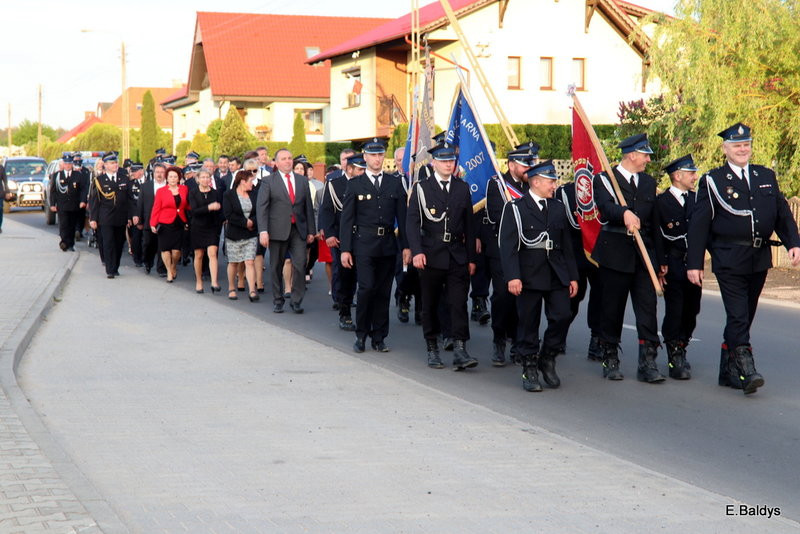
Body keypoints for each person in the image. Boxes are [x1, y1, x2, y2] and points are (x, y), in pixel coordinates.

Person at [687, 123, 800, 394]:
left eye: (746, 145)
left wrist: (793, 243)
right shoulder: (713, 180)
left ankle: (727, 370)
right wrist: (694, 263)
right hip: (728, 257)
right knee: (737, 315)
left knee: (745, 315)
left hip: (758, 257)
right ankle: (746, 370)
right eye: (737, 145)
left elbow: (782, 213)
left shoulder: (765, 175)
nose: (742, 149)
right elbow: (700, 224)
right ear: (725, 149)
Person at [592, 133, 666, 383]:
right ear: (632, 155)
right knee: (612, 309)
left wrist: (660, 260)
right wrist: (623, 212)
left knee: (648, 310)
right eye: (645, 155)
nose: (648, 160)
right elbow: (605, 207)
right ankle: (610, 357)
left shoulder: (648, 182)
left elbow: (654, 224)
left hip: (643, 255)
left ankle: (648, 362)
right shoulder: (605, 179)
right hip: (615, 253)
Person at [499, 161, 579, 391]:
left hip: (556, 272)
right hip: (528, 273)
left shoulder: (557, 207)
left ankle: (548, 356)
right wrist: (513, 276)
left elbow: (566, 245)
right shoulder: (516, 208)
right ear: (535, 182)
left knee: (563, 315)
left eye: (554, 181)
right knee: (528, 322)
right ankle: (529, 366)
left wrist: (572, 276)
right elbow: (508, 246)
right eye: (550, 181)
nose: (554, 186)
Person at [406, 140, 478, 370]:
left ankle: (460, 349)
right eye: (444, 160)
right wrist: (417, 251)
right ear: (434, 163)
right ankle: (432, 348)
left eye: (452, 160)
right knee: (430, 303)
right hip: (431, 253)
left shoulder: (462, 188)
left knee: (458, 302)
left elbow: (469, 226)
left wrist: (471, 259)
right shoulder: (422, 188)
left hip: (456, 254)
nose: (449, 164)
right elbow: (412, 223)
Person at [340, 138, 409, 353]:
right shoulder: (355, 184)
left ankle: (379, 337)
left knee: (383, 292)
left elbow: (403, 218)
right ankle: (361, 334)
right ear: (365, 157)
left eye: (380, 155)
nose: (377, 159)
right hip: (364, 244)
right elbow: (347, 220)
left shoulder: (394, 183)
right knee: (367, 288)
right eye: (373, 155)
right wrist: (345, 250)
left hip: (387, 244)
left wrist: (407, 247)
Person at [484, 144, 535, 366]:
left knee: (523, 299)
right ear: (511, 165)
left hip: (527, 251)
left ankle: (518, 341)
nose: (528, 169)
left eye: (529, 164)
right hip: (502, 250)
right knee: (503, 296)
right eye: (524, 165)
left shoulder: (532, 185)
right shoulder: (497, 184)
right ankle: (499, 338)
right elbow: (495, 216)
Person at [655, 154, 702, 380]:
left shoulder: (697, 200)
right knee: (675, 310)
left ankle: (682, 345)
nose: (695, 177)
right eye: (691, 173)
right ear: (677, 176)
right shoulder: (661, 202)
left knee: (692, 309)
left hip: (693, 263)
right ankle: (674, 353)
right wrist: (659, 265)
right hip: (672, 263)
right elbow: (656, 236)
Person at [256, 148, 316, 313]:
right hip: (277, 230)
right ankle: (278, 299)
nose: (288, 161)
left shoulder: (302, 180)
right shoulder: (268, 181)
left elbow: (308, 207)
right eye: (283, 159)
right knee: (276, 266)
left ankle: (296, 300)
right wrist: (263, 231)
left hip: (298, 230)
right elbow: (262, 208)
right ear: (276, 162)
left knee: (300, 264)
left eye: (290, 158)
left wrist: (311, 230)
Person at [556, 179, 604, 361]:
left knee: (600, 298)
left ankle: (596, 340)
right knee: (572, 298)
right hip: (575, 254)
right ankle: (559, 335)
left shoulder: (603, 187)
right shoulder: (565, 191)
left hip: (599, 253)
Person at [319, 152, 364, 330]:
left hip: (363, 236)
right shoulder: (334, 184)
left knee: (361, 275)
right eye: (359, 169)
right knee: (343, 272)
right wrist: (329, 234)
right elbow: (326, 210)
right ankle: (343, 307)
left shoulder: (366, 184)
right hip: (341, 236)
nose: (362, 172)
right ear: (349, 169)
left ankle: (356, 305)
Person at [89, 153, 135, 279]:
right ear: (105, 165)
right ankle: (110, 269)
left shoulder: (124, 179)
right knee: (108, 242)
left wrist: (131, 216)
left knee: (119, 243)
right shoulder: (99, 180)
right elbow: (94, 201)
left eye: (116, 162)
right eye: (112, 163)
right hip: (105, 217)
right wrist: (93, 218)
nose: (115, 165)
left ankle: (115, 267)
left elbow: (130, 200)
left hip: (121, 217)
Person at [393, 146, 422, 325]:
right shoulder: (392, 181)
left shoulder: (419, 180)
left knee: (419, 271)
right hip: (399, 233)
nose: (403, 164)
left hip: (419, 231)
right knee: (403, 270)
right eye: (399, 160)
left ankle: (420, 307)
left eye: (406, 160)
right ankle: (403, 297)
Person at [223, 170, 259, 301]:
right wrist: (245, 222)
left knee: (249, 261)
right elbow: (228, 214)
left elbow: (259, 211)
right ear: (243, 181)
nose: (252, 184)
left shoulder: (254, 194)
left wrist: (252, 222)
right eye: (250, 181)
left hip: (251, 233)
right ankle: (231, 288)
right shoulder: (229, 195)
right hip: (234, 234)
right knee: (233, 262)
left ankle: (252, 291)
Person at [150, 166, 189, 283]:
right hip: (165, 223)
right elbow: (156, 208)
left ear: (179, 178)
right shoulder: (161, 191)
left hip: (179, 222)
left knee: (176, 251)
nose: (172, 179)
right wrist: (153, 223)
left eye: (175, 177)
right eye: (170, 176)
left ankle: (173, 266)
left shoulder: (184, 189)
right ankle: (168, 271)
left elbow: (188, 205)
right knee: (165, 249)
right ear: (167, 178)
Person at [189, 169, 223, 294]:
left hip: (212, 227)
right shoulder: (193, 192)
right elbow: (194, 211)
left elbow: (220, 209)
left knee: (212, 253)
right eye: (202, 177)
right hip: (198, 227)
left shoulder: (215, 193)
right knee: (199, 255)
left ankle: (214, 282)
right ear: (198, 179)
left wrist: (219, 215)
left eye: (207, 177)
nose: (205, 179)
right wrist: (209, 207)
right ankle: (199, 281)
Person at [135, 162, 168, 276]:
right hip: (149, 220)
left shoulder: (169, 185)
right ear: (153, 173)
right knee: (148, 243)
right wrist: (140, 220)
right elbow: (140, 204)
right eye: (157, 172)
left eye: (162, 172)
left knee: (162, 245)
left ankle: (161, 268)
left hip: (165, 220)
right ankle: (147, 263)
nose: (159, 174)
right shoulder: (146, 186)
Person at [49, 154, 86, 251]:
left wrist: (83, 201)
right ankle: (64, 242)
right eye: (66, 163)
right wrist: (52, 204)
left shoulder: (78, 175)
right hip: (62, 205)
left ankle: (71, 244)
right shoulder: (57, 175)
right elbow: (53, 191)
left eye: (70, 163)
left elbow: (83, 189)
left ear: (72, 164)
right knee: (63, 224)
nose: (68, 165)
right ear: (63, 164)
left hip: (74, 205)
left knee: (72, 225)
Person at [126, 162, 145, 267]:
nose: (132, 173)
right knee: (136, 238)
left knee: (147, 239)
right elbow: (129, 202)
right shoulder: (130, 184)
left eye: (135, 171)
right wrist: (130, 216)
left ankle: (146, 258)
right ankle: (137, 259)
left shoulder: (149, 182)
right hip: (135, 215)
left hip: (147, 214)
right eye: (132, 171)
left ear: (141, 171)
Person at [0, 161, 8, 233]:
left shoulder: (1, 168)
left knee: (0, 210)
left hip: (0, 194)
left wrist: (7, 191)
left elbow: (5, 180)